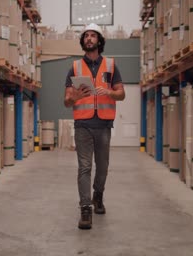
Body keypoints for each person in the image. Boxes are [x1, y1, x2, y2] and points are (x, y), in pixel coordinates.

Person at [64, 23, 125, 230]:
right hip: (83, 124)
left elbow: (122, 94)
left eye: (93, 35)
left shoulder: (111, 65)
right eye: (86, 36)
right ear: (83, 42)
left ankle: (98, 195)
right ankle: (85, 208)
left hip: (104, 124)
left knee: (103, 167)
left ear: (99, 40)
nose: (89, 38)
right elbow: (66, 101)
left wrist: (108, 92)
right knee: (85, 167)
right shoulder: (74, 67)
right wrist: (76, 97)